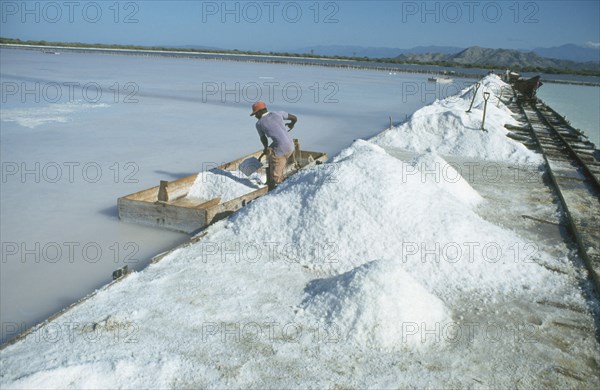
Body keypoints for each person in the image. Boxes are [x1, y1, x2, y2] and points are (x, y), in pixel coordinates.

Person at [250, 101, 298, 190]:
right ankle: (277, 169)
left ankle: (281, 189)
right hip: (291, 145)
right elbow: (294, 118)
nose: (255, 117)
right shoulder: (279, 113)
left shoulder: (259, 124)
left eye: (255, 114)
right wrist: (292, 124)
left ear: (260, 111)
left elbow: (263, 138)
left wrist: (265, 147)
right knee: (272, 151)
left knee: (276, 176)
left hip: (282, 148)